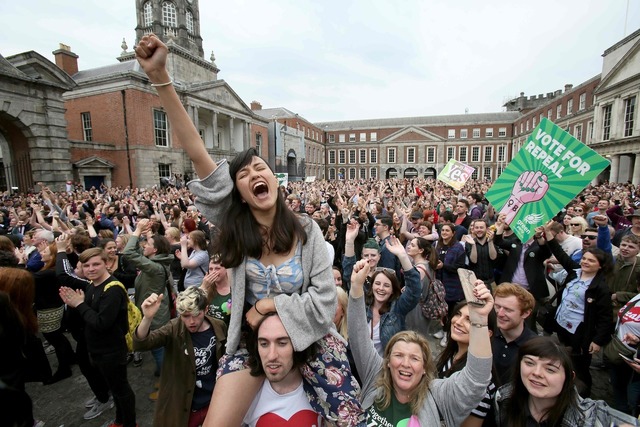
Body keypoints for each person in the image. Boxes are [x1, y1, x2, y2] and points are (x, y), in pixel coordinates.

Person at [134, 34, 362, 427]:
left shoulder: (308, 232)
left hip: (312, 339)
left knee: (349, 418)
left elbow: (324, 305)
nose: (256, 173)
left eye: (261, 167)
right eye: (244, 173)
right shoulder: (234, 226)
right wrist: (160, 78)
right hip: (251, 343)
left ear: (273, 179)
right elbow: (196, 151)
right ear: (236, 192)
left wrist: (268, 306)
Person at [348, 258, 494, 426]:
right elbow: (358, 334)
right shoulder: (376, 375)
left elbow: (476, 381)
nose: (405, 364)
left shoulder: (439, 396)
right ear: (387, 362)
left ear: (425, 368)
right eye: (398, 355)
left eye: (415, 358)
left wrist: (480, 321)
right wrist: (356, 286)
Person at [59, 247, 137, 427]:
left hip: (111, 350)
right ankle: (119, 420)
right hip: (98, 348)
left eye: (96, 264)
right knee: (115, 389)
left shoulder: (112, 289)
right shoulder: (92, 285)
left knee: (121, 389)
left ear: (107, 264)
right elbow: (87, 317)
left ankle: (130, 423)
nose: (91, 269)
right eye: (86, 265)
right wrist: (75, 304)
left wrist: (79, 304)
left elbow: (101, 323)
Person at [133, 287, 227, 427]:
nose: (191, 322)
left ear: (205, 310)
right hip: (185, 405)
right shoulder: (174, 328)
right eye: (185, 316)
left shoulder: (218, 326)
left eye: (196, 315)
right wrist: (147, 318)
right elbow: (143, 343)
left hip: (212, 402)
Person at [493, 336, 637, 427]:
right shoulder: (504, 399)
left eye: (550, 369)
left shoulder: (589, 416)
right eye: (529, 363)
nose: (536, 373)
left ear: (569, 377)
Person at [541, 222, 613, 397]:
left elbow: (605, 317)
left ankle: (582, 396)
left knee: (579, 367)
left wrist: (597, 341)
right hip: (562, 324)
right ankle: (562, 388)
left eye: (591, 261)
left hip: (580, 333)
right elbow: (559, 253)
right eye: (584, 259)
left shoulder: (600, 288)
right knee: (562, 358)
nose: (586, 262)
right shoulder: (574, 272)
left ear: (600, 266)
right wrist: (547, 233)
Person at [243, 313, 323, 426]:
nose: (271, 356)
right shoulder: (246, 397)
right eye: (264, 344)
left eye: (282, 343)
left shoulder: (322, 392)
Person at [121, 218, 174, 373]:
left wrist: (137, 230)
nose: (144, 246)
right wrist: (144, 235)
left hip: (155, 316)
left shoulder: (155, 267)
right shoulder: (155, 262)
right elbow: (137, 252)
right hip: (154, 312)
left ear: (155, 250)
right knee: (158, 347)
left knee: (158, 348)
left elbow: (128, 253)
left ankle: (166, 377)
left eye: (148, 245)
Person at [435, 301, 498, 427]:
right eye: (458, 314)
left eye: (469, 320)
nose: (458, 322)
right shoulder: (452, 356)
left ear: (487, 333)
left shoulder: (479, 384)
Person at [491, 283, 537, 386]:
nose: (500, 313)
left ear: (525, 313)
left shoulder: (533, 347)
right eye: (497, 306)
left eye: (508, 310)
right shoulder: (485, 334)